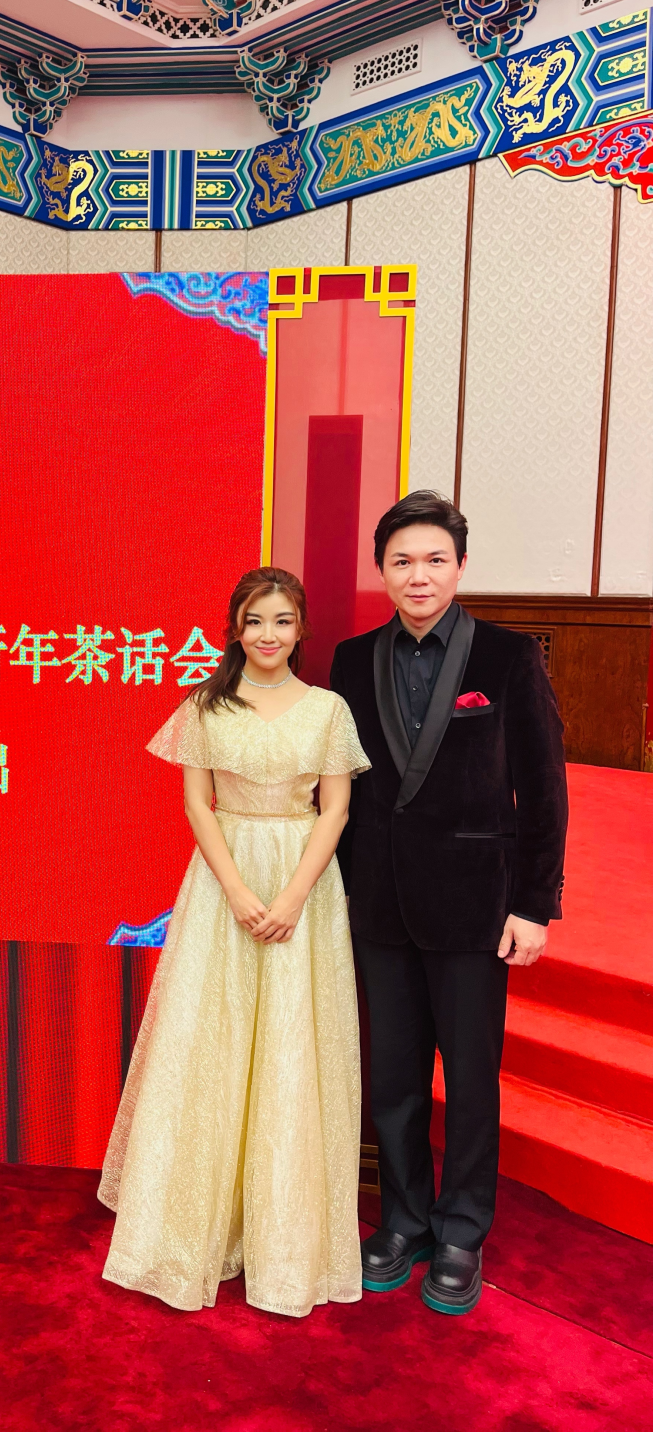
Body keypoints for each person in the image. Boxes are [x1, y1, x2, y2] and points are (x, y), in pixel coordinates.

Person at [99, 567, 371, 1318]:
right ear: (235, 629)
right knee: (210, 1039)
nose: (268, 635)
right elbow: (198, 805)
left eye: (282, 620)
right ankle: (195, 1223)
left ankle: (282, 1236)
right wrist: (240, 893)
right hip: (222, 887)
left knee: (292, 1043)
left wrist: (290, 898)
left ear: (300, 629)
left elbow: (335, 809)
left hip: (305, 887)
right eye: (254, 621)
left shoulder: (328, 709)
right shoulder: (204, 705)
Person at [330, 491, 567, 1316]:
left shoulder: (506, 657)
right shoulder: (351, 660)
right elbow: (342, 785)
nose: (418, 575)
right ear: (381, 570)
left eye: (434, 559)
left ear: (460, 566)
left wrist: (533, 904)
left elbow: (542, 789)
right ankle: (403, 1221)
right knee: (392, 1077)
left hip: (475, 907)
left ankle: (461, 1227)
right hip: (379, 904)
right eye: (401, 561)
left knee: (468, 1080)